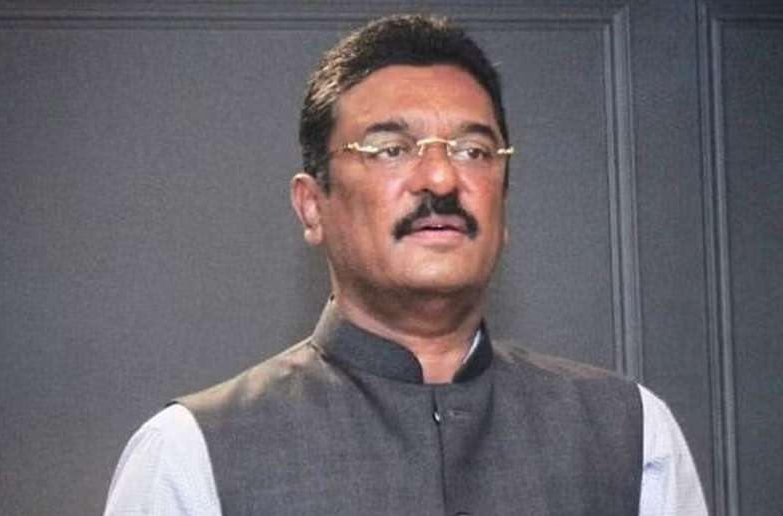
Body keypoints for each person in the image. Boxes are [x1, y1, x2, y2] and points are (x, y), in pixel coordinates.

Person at [103, 14, 708, 516]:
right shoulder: (194, 453)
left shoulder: (631, 436)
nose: (441, 178)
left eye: (473, 150)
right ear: (312, 207)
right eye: (391, 149)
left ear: (503, 201)